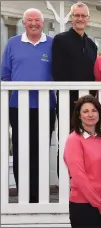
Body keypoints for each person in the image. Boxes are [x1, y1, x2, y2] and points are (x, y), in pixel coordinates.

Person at [1, 8, 56, 203]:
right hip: (18, 106)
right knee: (20, 149)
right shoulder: (12, 44)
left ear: (43, 23)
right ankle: (24, 194)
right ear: (23, 23)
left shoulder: (52, 44)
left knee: (41, 149)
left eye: (37, 20)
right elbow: (5, 74)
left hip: (46, 106)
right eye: (30, 20)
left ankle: (39, 195)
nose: (34, 23)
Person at [52, 2, 97, 175]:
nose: (80, 19)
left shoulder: (92, 45)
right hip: (67, 101)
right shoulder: (61, 40)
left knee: (86, 142)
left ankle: (83, 181)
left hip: (87, 105)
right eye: (76, 15)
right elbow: (58, 72)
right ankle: (65, 182)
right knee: (66, 141)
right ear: (71, 18)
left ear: (88, 19)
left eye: (83, 16)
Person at [64, 95, 101, 227]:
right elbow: (79, 177)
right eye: (85, 111)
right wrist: (100, 205)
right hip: (84, 205)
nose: (90, 114)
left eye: (94, 110)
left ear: (99, 114)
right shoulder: (74, 140)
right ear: (79, 115)